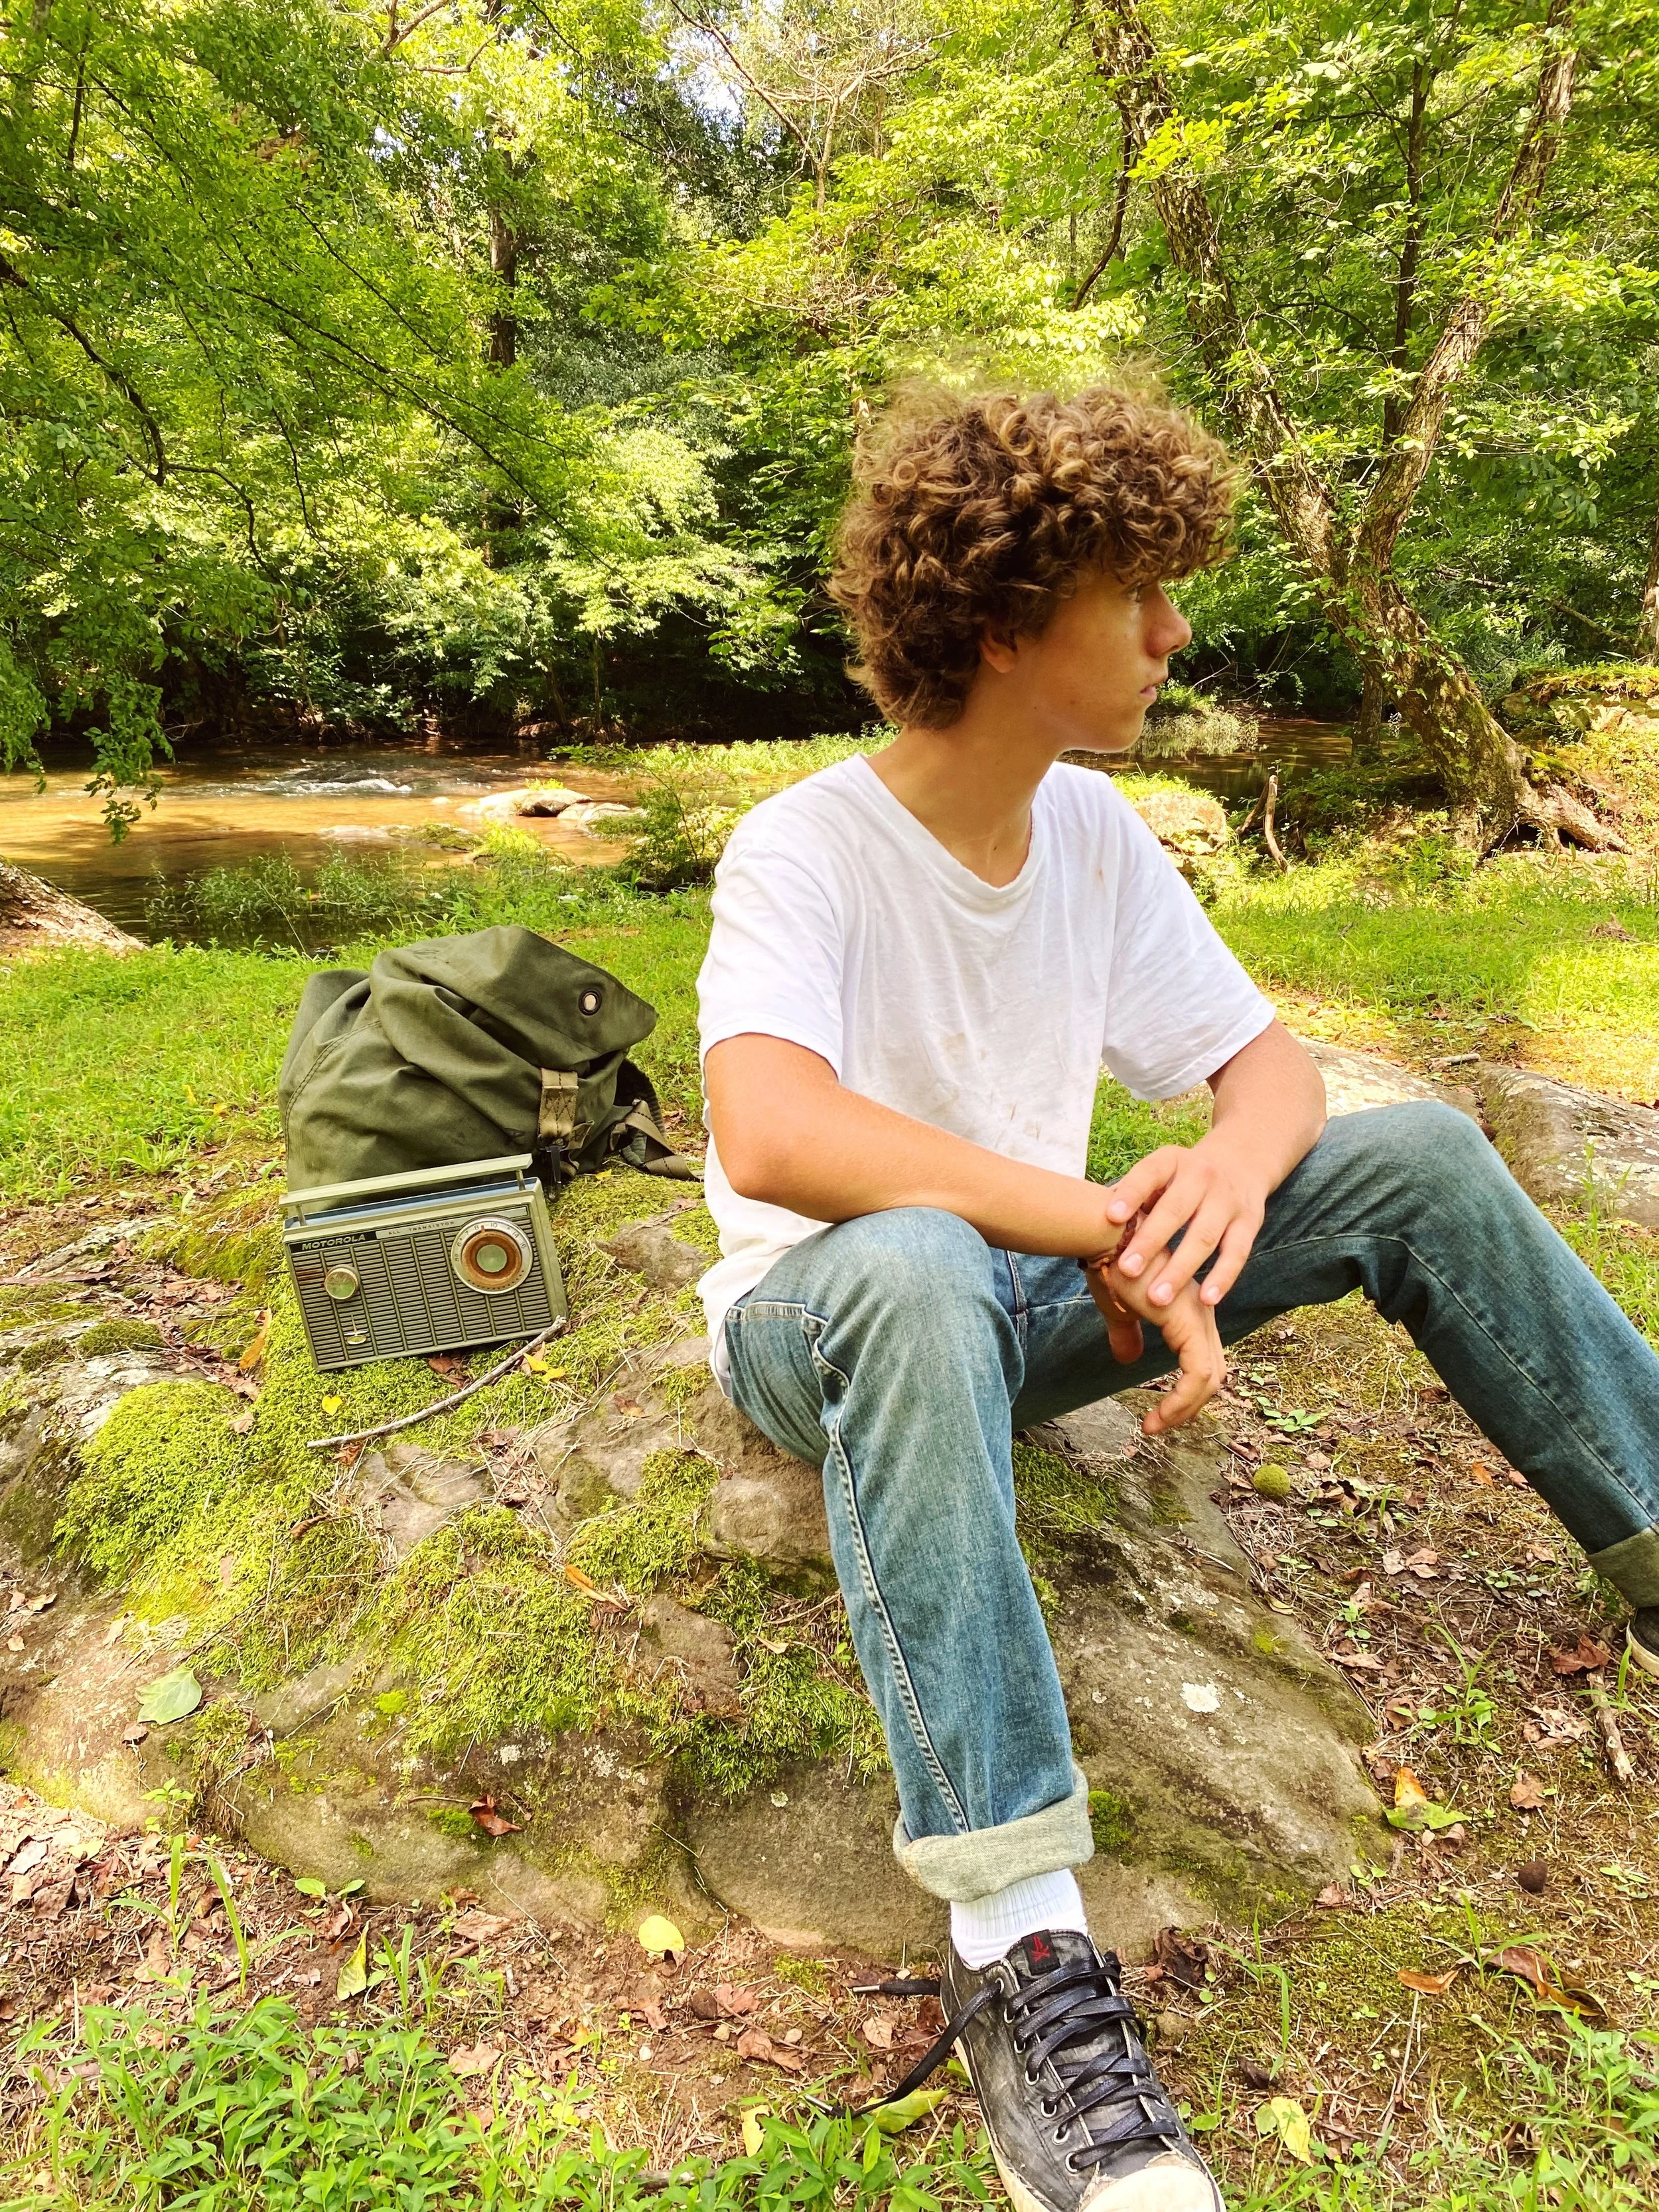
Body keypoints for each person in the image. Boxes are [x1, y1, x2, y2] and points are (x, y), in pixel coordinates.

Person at [693, 386, 1659, 2212]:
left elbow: (1266, 1064)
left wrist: (1219, 1168)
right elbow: (776, 1125)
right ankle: (1021, 1941)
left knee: (1421, 1151)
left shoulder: (1096, 836)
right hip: (820, 1319)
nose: (1176, 632)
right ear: (1000, 623)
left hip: (1028, 1300)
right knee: (906, 1259)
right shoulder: (805, 844)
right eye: (1136, 592)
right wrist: (1094, 1220)